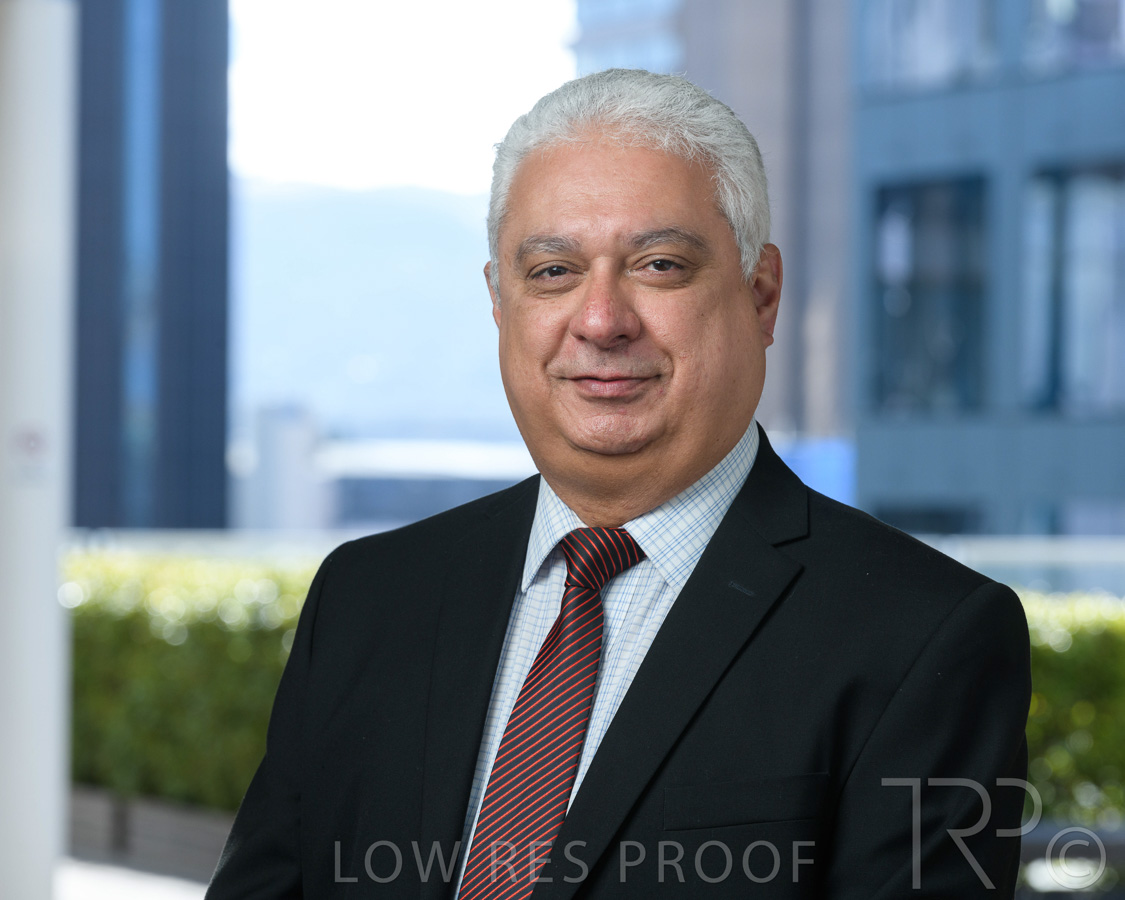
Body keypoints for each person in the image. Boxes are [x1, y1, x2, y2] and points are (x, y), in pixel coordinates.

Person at [207, 69, 1030, 899]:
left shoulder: (923, 637)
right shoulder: (365, 599)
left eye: (659, 265)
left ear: (760, 296)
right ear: (499, 304)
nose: (600, 321)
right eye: (552, 272)